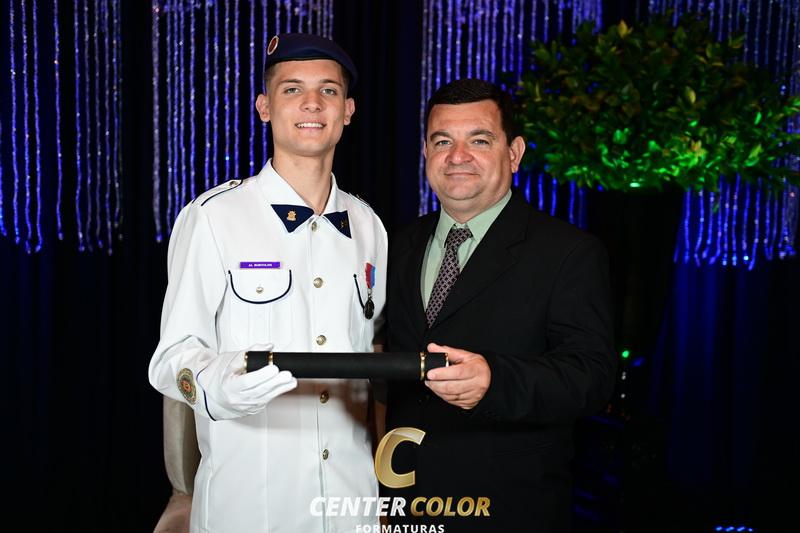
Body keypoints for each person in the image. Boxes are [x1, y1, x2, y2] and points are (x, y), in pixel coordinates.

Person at [149, 33, 387, 533]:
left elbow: (375, 357)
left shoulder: (370, 227)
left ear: (348, 111)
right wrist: (221, 385)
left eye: (328, 90)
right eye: (292, 89)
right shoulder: (213, 217)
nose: (312, 103)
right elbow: (171, 360)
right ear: (264, 107)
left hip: (352, 505)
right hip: (249, 508)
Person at [383, 78, 616, 532]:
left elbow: (592, 376)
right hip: (400, 505)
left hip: (507, 509)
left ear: (514, 153)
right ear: (426, 152)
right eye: (442, 141)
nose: (458, 156)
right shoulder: (394, 245)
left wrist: (495, 381)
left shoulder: (568, 252)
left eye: (479, 140)